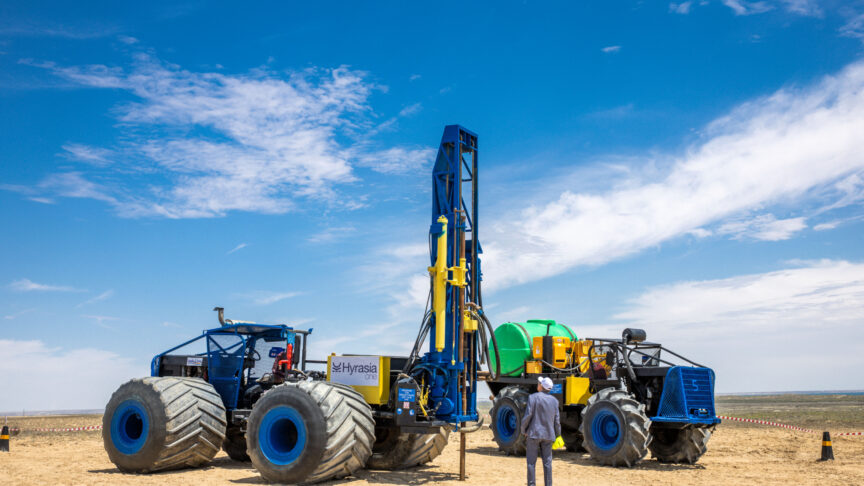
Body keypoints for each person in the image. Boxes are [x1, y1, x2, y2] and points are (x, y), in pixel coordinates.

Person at [521, 376, 560, 486]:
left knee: (531, 463)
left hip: (534, 434)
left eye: (539, 383)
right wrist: (558, 435)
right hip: (548, 436)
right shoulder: (555, 401)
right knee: (547, 463)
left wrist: (523, 429)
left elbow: (528, 415)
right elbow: (557, 421)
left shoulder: (533, 398)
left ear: (541, 386)